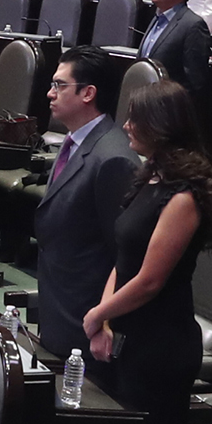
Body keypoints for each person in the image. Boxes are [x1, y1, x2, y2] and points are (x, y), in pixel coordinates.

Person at [81, 80, 212, 424]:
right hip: (129, 337)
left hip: (161, 346)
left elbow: (149, 280)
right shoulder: (150, 177)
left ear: (161, 126)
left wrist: (97, 315)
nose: (125, 126)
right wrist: (105, 318)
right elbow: (123, 258)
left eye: (135, 119)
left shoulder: (184, 196)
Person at [34, 50, 140, 366]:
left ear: (88, 93)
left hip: (85, 326)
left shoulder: (113, 159)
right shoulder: (75, 141)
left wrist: (104, 320)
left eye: (59, 85)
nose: (50, 93)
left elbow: (125, 255)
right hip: (59, 309)